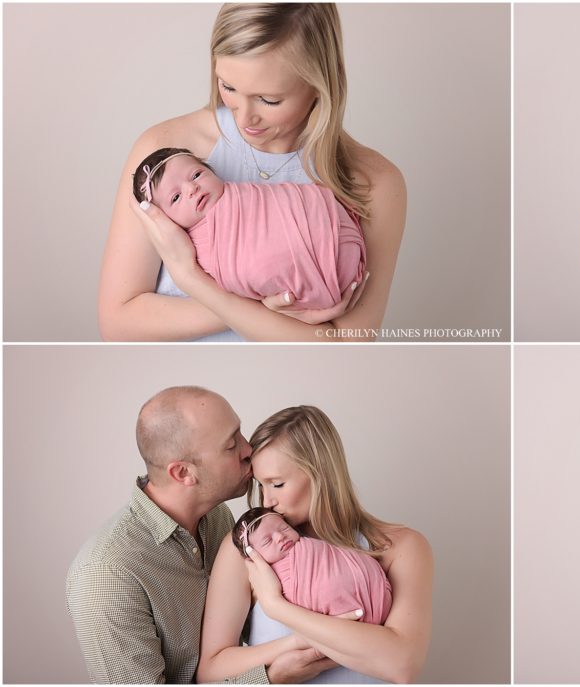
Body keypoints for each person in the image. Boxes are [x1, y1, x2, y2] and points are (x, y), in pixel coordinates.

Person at [98, 4, 406, 341]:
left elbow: (344, 348)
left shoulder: (372, 184)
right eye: (228, 87)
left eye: (269, 100)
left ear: (320, 82)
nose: (245, 119)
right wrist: (261, 309)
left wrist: (195, 282)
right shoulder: (163, 157)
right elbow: (119, 323)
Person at [65, 387, 318, 683]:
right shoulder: (106, 575)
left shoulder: (217, 517)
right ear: (183, 473)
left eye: (240, 432)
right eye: (230, 445)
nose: (248, 449)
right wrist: (269, 679)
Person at [198, 406, 433, 684]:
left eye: (277, 484)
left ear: (321, 474)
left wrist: (278, 607)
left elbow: (402, 664)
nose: (267, 502)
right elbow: (211, 672)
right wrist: (286, 655)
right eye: (260, 486)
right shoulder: (248, 550)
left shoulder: (401, 547)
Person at [133, 148, 366, 310]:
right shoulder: (198, 246)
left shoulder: (246, 194)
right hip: (306, 288)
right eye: (175, 197)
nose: (192, 188)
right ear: (163, 219)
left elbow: (283, 199)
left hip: (337, 237)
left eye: (196, 174)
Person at [232, 507, 392, 623]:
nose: (280, 537)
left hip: (377, 593)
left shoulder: (310, 544)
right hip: (349, 628)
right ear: (253, 555)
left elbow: (335, 556)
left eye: (284, 528)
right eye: (267, 541)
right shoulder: (267, 576)